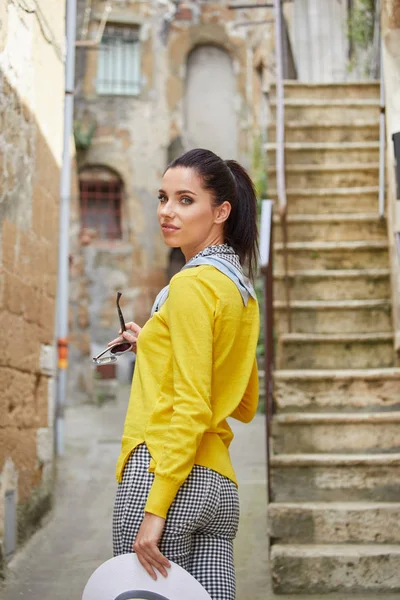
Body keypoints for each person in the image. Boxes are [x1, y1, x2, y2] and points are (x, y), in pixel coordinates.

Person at [109, 148, 260, 600]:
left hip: (165, 476)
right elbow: (244, 401)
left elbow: (193, 403)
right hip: (219, 486)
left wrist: (155, 511)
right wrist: (156, 342)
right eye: (162, 197)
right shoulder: (240, 289)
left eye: (185, 200)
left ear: (221, 211)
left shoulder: (191, 285)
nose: (167, 211)